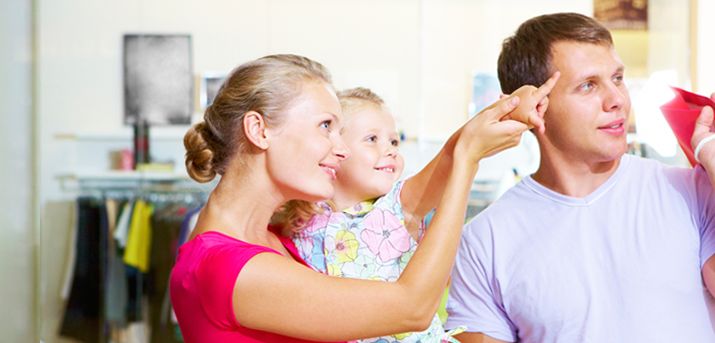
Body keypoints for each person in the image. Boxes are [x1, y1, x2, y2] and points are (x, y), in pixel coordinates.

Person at [446, 12, 715, 343]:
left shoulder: (691, 192)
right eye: (588, 85)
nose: (618, 99)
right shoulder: (484, 242)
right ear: (534, 107)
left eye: (618, 78)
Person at [169, 54, 554, 342]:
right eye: (325, 127)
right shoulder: (227, 269)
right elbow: (412, 309)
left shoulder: (273, 237)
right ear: (259, 130)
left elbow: (440, 167)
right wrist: (469, 161)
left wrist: (505, 112)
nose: (341, 149)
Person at [278, 82, 554, 343]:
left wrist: (508, 113)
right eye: (372, 139)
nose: (389, 150)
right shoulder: (301, 214)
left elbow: (452, 152)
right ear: (335, 148)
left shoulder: (398, 206)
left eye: (394, 142)